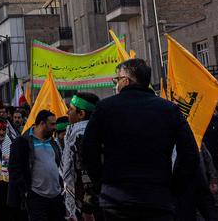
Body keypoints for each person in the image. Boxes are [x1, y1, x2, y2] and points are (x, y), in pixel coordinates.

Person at [82, 58, 199, 220]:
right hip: (158, 200)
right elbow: (190, 154)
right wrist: (174, 186)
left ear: (125, 80)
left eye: (116, 79)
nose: (116, 84)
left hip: (116, 202)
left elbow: (88, 150)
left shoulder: (105, 108)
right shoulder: (169, 110)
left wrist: (102, 183)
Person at [8, 110, 64, 220]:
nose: (55, 127)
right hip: (36, 197)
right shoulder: (22, 142)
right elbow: (14, 170)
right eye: (52, 124)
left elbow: (56, 165)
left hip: (55, 196)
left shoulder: (52, 142)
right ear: (42, 123)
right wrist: (26, 191)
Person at [62, 92, 99, 221]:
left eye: (71, 109)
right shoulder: (94, 131)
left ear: (81, 114)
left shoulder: (82, 136)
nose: (67, 112)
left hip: (88, 204)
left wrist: (87, 208)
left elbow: (88, 173)